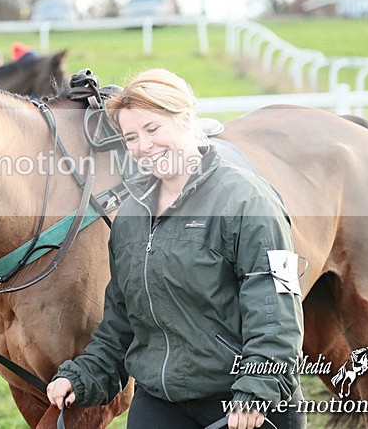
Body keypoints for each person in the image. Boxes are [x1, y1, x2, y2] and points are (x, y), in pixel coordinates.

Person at [46, 68, 305, 429]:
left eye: (153, 129)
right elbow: (123, 318)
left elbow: (277, 306)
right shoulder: (132, 212)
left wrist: (259, 387)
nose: (144, 146)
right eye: (131, 137)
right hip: (159, 402)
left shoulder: (247, 199)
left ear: (185, 118)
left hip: (240, 403)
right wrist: (87, 374)